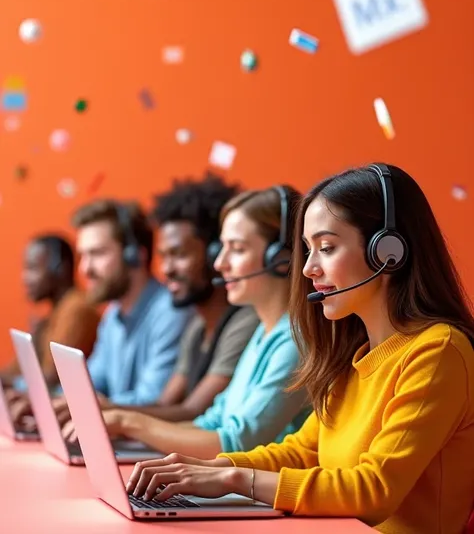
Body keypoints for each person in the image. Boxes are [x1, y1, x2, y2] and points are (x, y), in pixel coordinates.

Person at [125, 164, 474, 534]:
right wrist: (214, 468)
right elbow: (303, 452)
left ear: (387, 252)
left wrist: (236, 481)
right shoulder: (353, 354)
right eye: (308, 250)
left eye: (326, 248)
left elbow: (375, 492)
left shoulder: (438, 353)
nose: (308, 268)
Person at [63, 185, 311, 457]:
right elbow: (210, 422)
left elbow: (238, 440)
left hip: (267, 496)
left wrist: (126, 421)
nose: (219, 264)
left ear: (280, 257)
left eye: (237, 249)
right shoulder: (264, 334)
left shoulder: (295, 339)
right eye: (222, 248)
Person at [120, 173, 259, 422]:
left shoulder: (245, 321)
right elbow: (165, 404)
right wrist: (102, 411)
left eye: (179, 254)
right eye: (163, 256)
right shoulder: (196, 328)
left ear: (215, 254)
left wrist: (111, 414)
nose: (167, 269)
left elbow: (191, 411)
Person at [0, 234, 99, 390]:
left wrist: (10, 382)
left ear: (61, 270)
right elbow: (14, 370)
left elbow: (52, 379)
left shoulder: (77, 310)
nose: (25, 278)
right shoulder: (55, 314)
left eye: (32, 268)